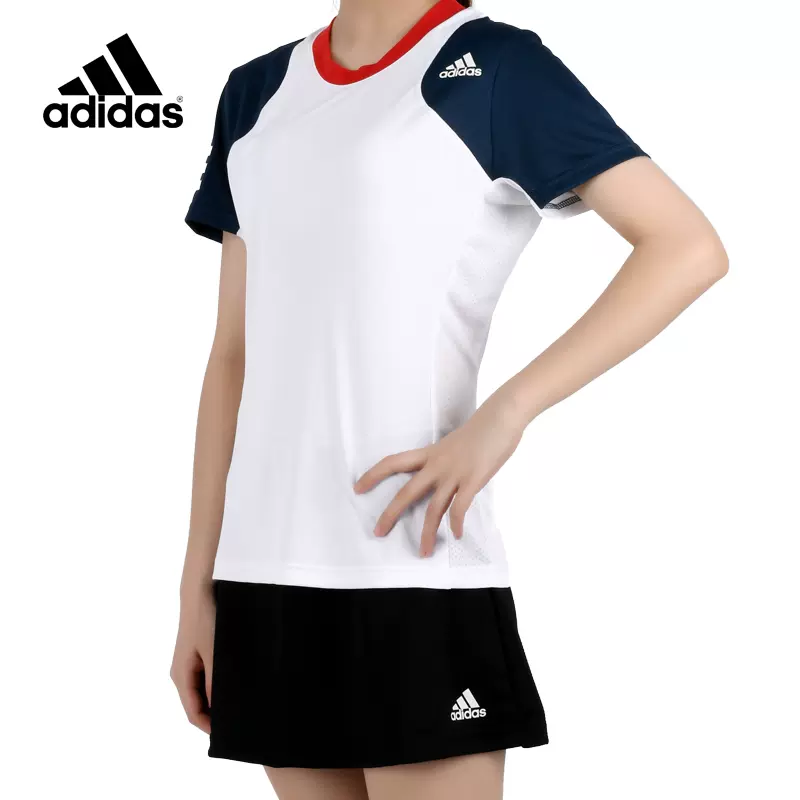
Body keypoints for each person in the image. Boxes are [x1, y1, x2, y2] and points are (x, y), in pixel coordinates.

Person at [172, 0, 728, 797]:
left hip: (414, 565)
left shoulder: (493, 67)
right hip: (266, 575)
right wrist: (198, 586)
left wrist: (507, 413)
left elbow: (687, 247)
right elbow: (233, 354)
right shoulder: (255, 91)